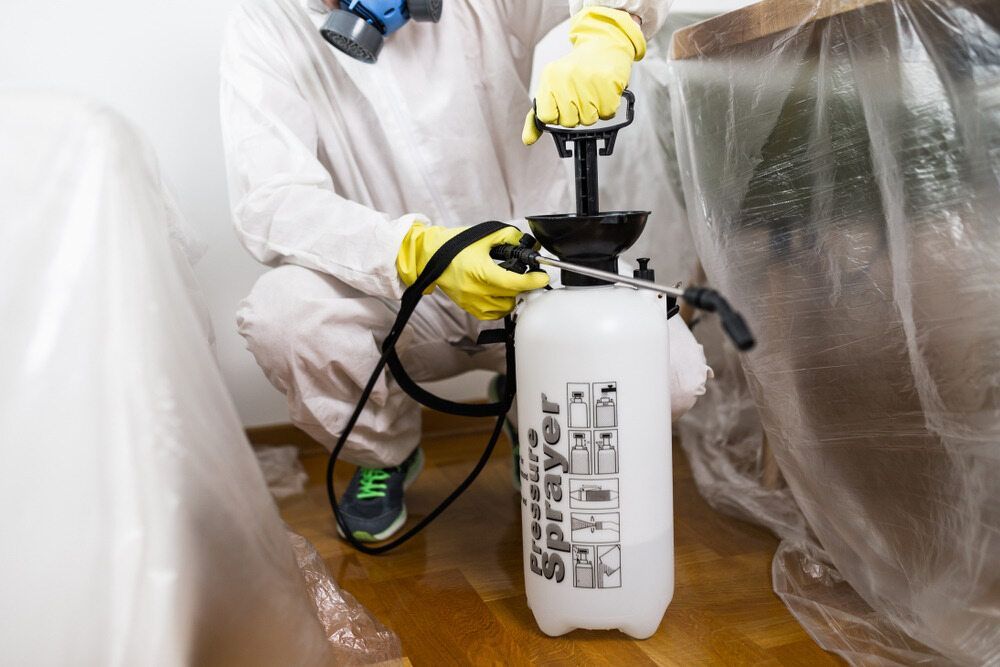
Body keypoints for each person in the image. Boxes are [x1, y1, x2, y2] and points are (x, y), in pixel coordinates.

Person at [221, 0, 709, 543]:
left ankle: (535, 417)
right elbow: (270, 200)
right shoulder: (266, 22)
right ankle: (384, 454)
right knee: (285, 316)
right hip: (397, 292)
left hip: (532, 274)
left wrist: (610, 24)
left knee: (669, 377)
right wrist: (415, 251)